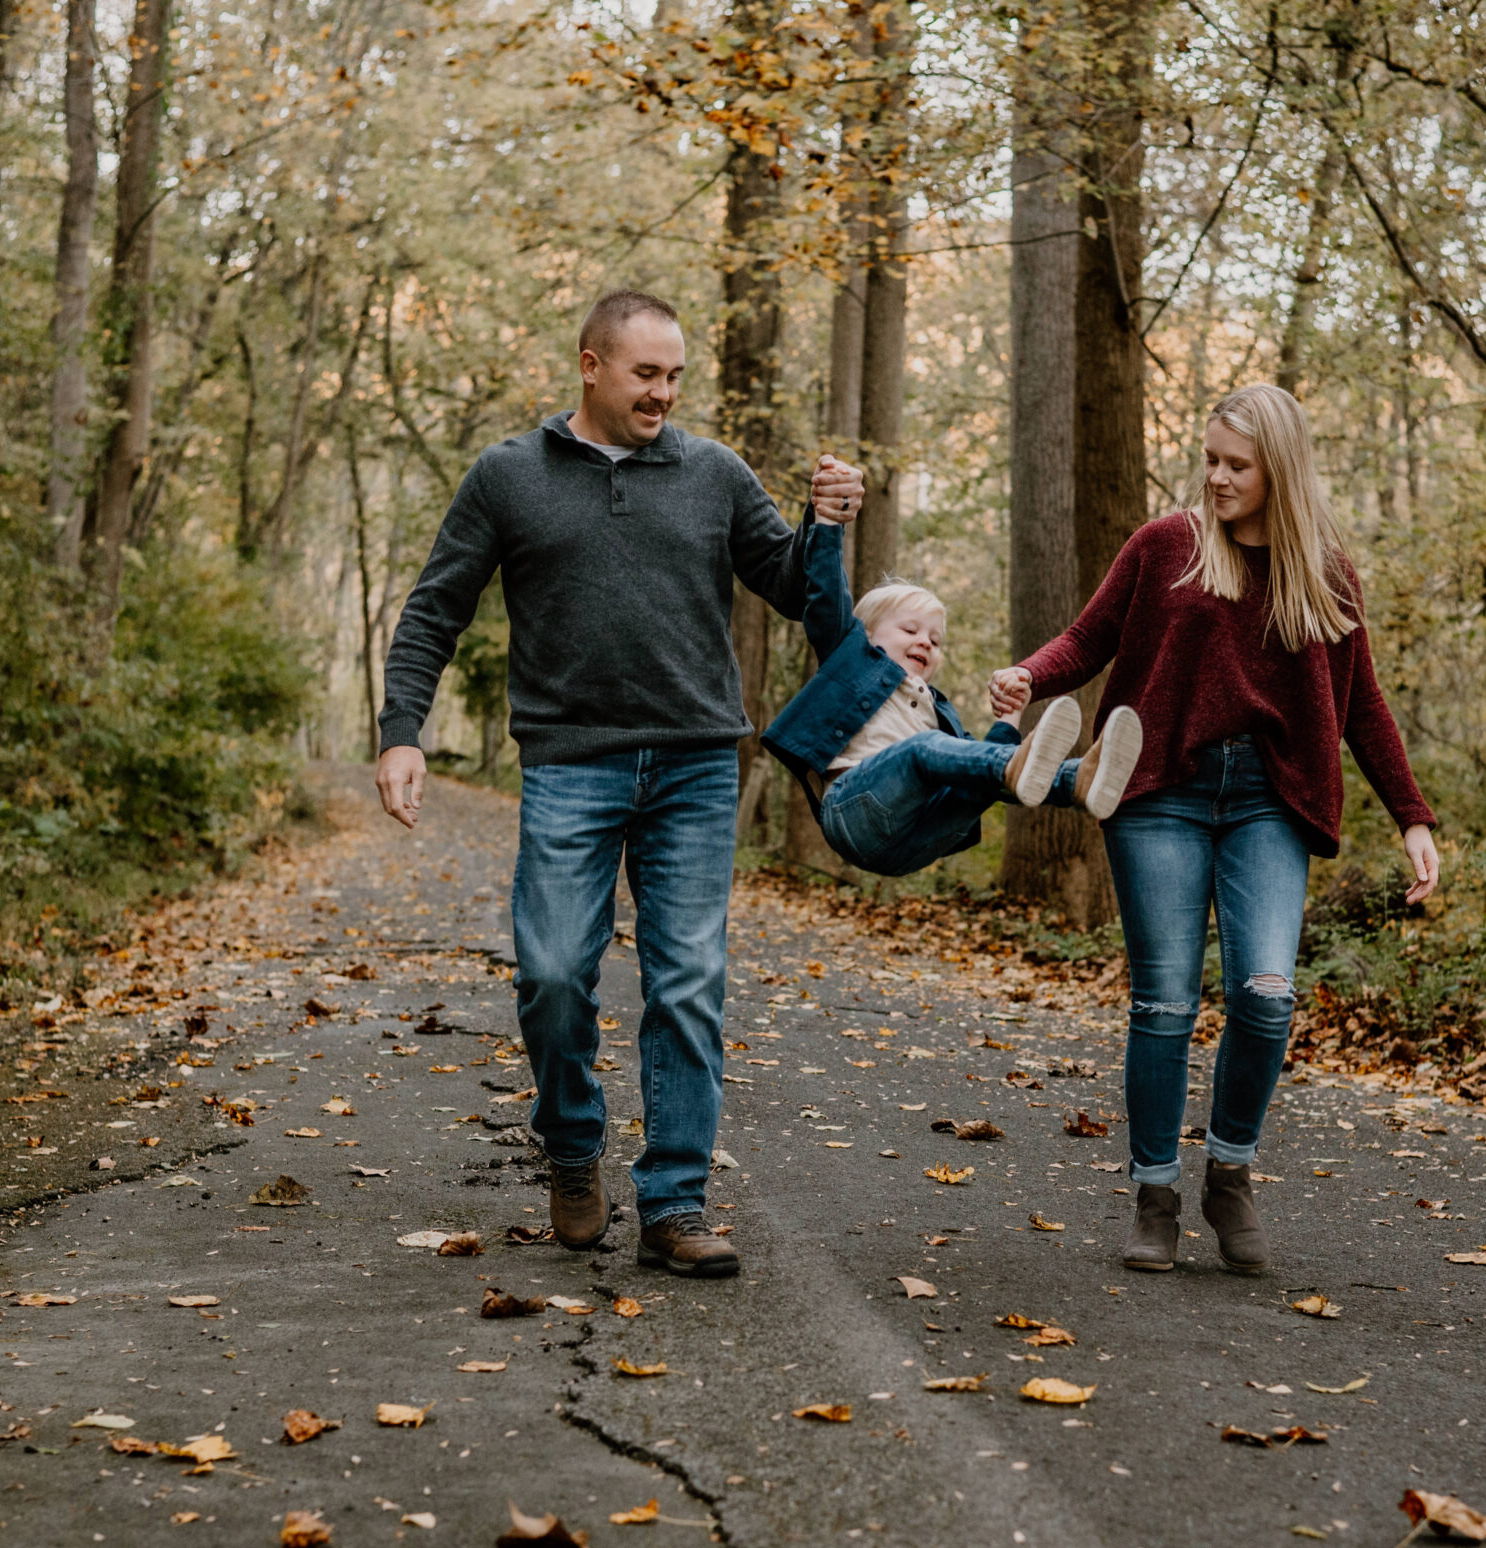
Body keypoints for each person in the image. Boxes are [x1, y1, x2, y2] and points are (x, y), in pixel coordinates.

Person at [374, 288, 864, 1280]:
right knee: (552, 972)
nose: (663, 393)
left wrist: (825, 527)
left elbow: (801, 597)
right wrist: (401, 733)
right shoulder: (509, 477)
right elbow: (434, 610)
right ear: (590, 365)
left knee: (686, 980)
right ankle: (570, 1144)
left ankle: (675, 1202)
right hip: (569, 760)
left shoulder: (713, 472)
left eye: (675, 375)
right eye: (646, 373)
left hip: (694, 759)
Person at [990, 383, 1439, 1275]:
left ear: (1280, 469)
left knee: (1267, 996)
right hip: (1160, 786)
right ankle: (1155, 1194)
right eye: (1211, 460)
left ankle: (1227, 1174)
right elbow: (1091, 639)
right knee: (1164, 1001)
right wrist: (1027, 676)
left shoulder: (1326, 572)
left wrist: (1413, 818)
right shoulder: (1166, 547)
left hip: (1271, 797)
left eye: (1237, 465)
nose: (1218, 477)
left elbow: (1363, 706)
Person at [760, 523, 1143, 876]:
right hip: (854, 813)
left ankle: (1080, 783)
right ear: (867, 634)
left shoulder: (937, 713)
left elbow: (985, 774)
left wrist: (1011, 716)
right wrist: (828, 524)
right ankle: (1045, 772)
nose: (925, 641)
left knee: (975, 778)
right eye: (910, 629)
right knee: (927, 750)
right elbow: (826, 593)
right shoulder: (851, 664)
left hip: (911, 845)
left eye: (935, 640)